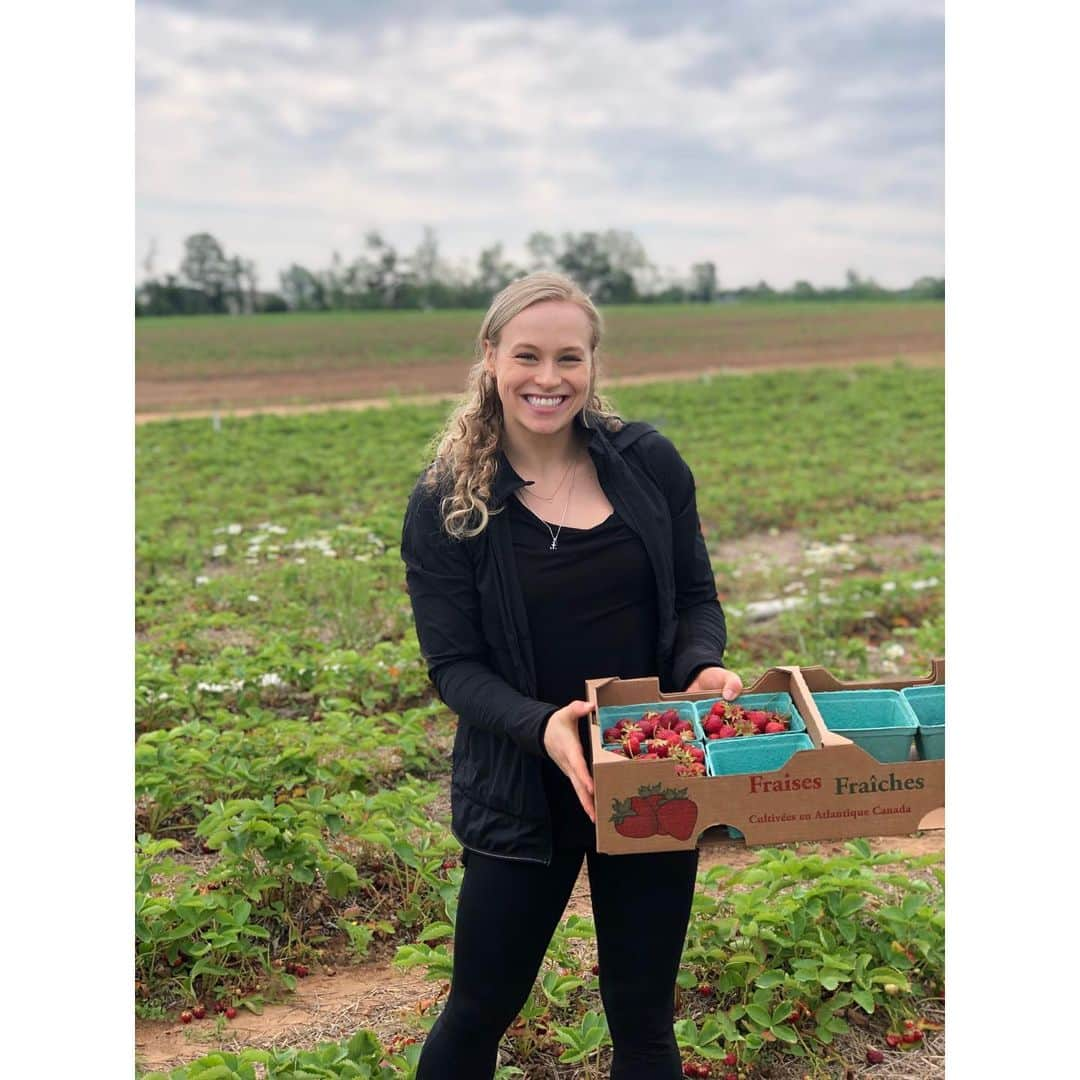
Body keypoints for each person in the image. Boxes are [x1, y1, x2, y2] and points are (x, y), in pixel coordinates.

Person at [400, 271, 742, 1079]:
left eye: (568, 358)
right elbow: (452, 667)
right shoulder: (451, 501)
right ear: (490, 357)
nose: (547, 379)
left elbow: (695, 600)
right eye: (526, 355)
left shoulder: (648, 464)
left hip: (652, 771)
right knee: (479, 1011)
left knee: (645, 1018)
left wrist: (703, 665)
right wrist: (541, 723)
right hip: (524, 791)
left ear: (593, 365)